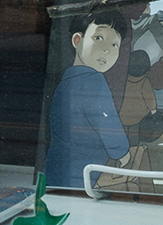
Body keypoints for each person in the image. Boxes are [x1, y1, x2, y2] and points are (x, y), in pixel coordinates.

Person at [44, 12, 133, 189]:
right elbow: (108, 124)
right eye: (98, 37)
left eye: (114, 44)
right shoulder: (94, 81)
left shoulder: (66, 80)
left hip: (57, 165)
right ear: (77, 41)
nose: (107, 49)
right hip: (84, 171)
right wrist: (122, 153)